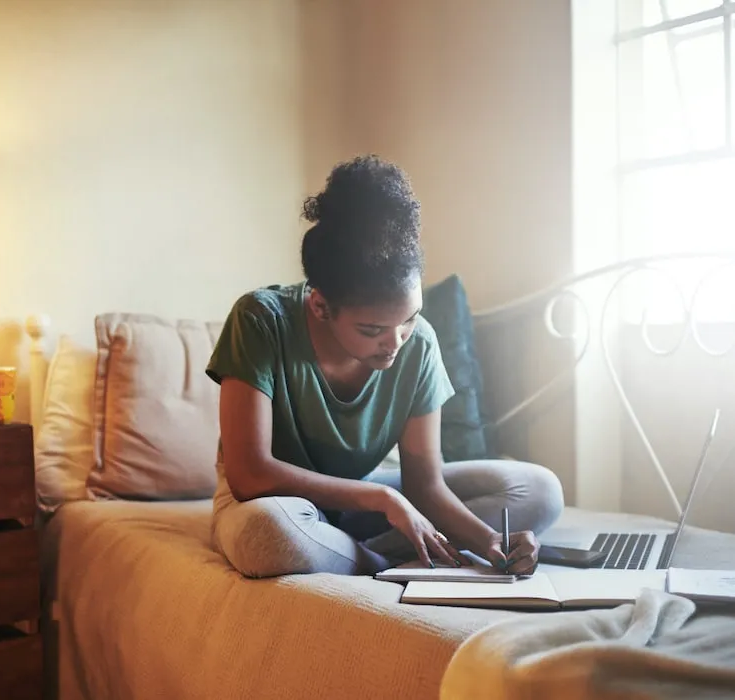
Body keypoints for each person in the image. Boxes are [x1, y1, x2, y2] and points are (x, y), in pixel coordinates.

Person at [205, 155, 564, 578]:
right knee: (268, 537)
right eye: (373, 328)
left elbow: (425, 487)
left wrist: (491, 543)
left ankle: (351, 554)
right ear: (321, 306)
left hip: (361, 508)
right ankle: (384, 562)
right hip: (275, 504)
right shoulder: (260, 321)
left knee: (540, 491)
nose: (395, 342)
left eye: (409, 319)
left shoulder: (421, 344)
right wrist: (382, 499)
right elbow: (249, 475)